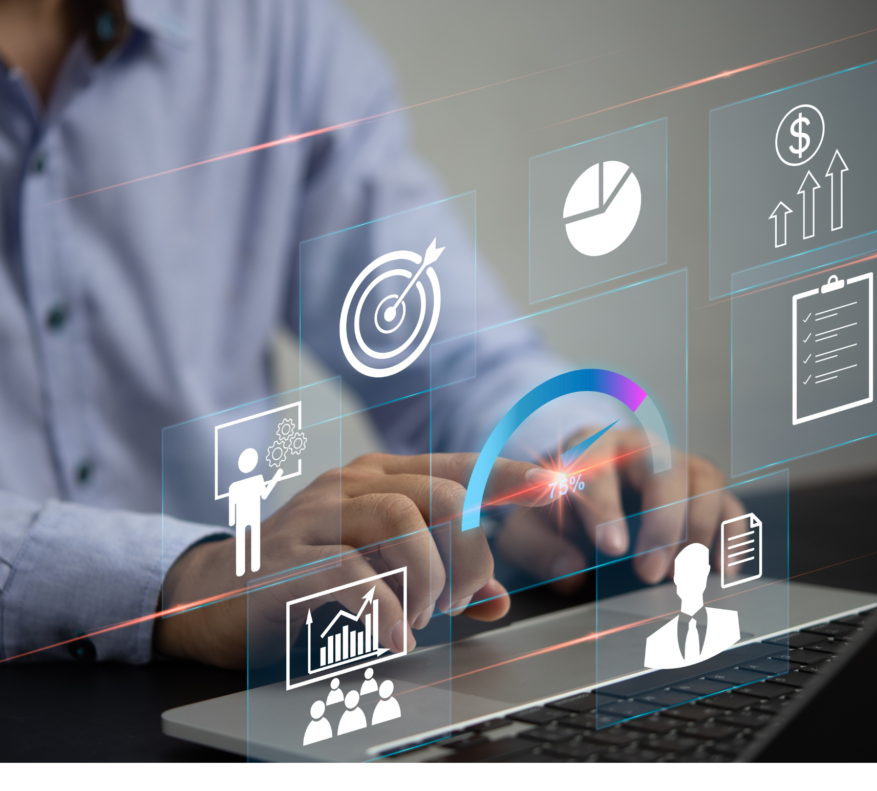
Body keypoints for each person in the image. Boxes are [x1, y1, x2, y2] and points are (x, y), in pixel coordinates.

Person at [0, 0, 742, 669]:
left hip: (230, 680)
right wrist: (182, 578)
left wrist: (567, 460)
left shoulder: (268, 27)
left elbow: (450, 350)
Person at [644, 543, 740, 669]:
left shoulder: (728, 623)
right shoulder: (657, 641)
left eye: (695, 572)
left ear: (705, 574)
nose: (688, 580)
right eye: (683, 572)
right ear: (675, 576)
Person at [227, 449, 284, 576]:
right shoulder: (235, 486)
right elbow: (233, 503)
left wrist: (275, 479)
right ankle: (245, 568)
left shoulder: (256, 480)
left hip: (253, 516)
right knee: (244, 543)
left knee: (253, 543)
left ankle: (252, 567)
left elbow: (264, 495)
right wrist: (232, 519)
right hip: (242, 517)